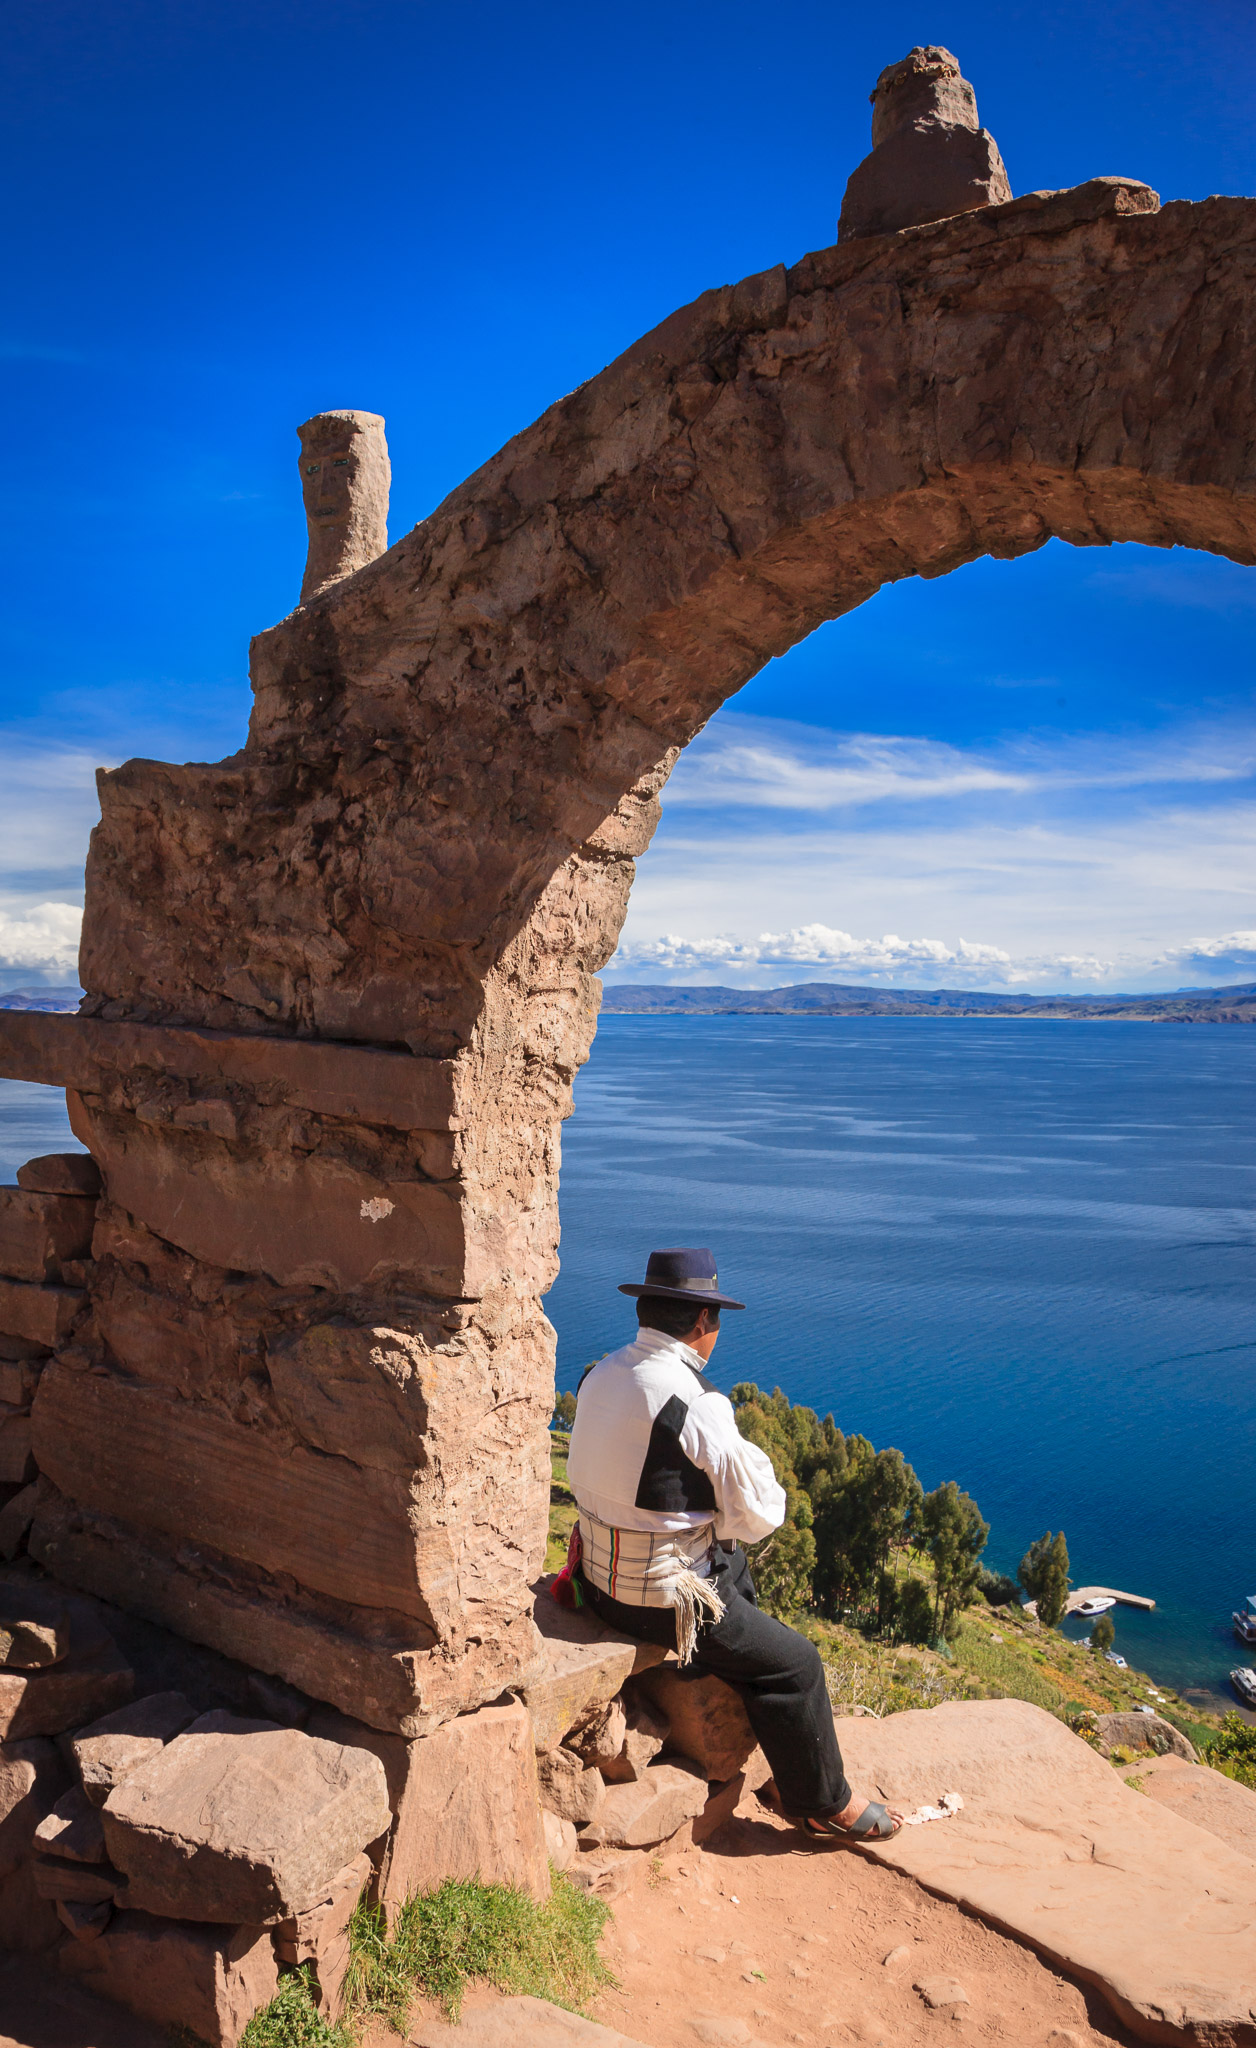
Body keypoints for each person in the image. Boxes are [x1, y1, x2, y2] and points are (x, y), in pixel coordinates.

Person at [565, 1245, 902, 1842]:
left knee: (735, 1574)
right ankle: (825, 1803)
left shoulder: (598, 1376)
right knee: (797, 1664)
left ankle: (789, 1762)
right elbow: (761, 1512)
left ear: (645, 1311)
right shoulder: (694, 1402)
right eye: (715, 1322)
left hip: (596, 1585)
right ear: (702, 1324)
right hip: (660, 1606)